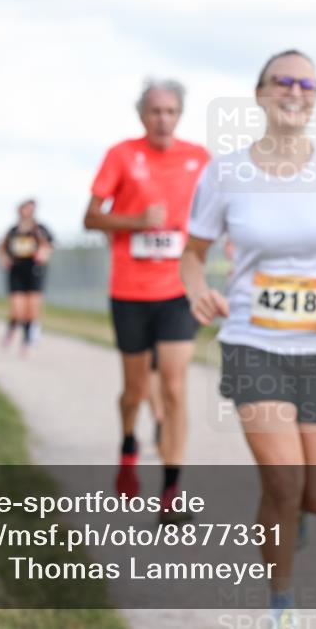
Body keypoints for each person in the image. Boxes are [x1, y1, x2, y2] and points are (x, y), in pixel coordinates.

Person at [180, 41, 316, 628]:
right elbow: (193, 254)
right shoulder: (225, 173)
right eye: (282, 82)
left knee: (315, 495)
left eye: (306, 84)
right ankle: (281, 602)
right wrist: (196, 288)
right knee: (284, 480)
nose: (294, 92)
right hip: (253, 341)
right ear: (261, 94)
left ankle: (293, 519)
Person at [82, 79, 209, 521]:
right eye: (155, 111)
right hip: (130, 291)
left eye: (171, 111)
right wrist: (135, 220)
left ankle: (172, 494)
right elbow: (90, 216)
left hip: (177, 289)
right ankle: (129, 446)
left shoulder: (198, 158)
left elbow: (221, 211)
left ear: (180, 115)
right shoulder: (121, 154)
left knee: (174, 386)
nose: (163, 119)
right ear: (142, 115)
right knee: (135, 390)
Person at [0, 199, 54, 355]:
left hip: (34, 271)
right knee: (17, 309)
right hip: (17, 270)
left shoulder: (40, 230)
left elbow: (49, 247)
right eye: (25, 209)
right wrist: (4, 260)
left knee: (32, 309)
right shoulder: (13, 231)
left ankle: (27, 340)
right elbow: (1, 249)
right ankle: (12, 327)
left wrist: (43, 254)